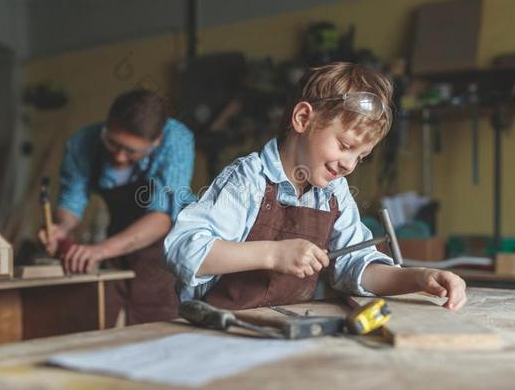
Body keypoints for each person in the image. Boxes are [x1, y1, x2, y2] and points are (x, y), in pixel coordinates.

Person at [164, 62, 467, 311]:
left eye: (361, 156)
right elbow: (185, 251)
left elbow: (356, 265)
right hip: (218, 334)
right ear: (303, 118)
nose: (349, 164)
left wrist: (419, 277)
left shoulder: (334, 193)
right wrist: (273, 254)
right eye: (345, 145)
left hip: (284, 331)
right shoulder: (248, 180)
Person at [39, 88, 195, 325]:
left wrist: (100, 250)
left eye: (131, 152)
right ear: (107, 124)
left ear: (156, 141)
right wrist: (61, 227)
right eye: (113, 144)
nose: (120, 157)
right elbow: (72, 201)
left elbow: (162, 216)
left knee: (157, 323)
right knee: (100, 314)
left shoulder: (177, 140)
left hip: (161, 249)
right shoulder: (82, 142)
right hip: (116, 243)